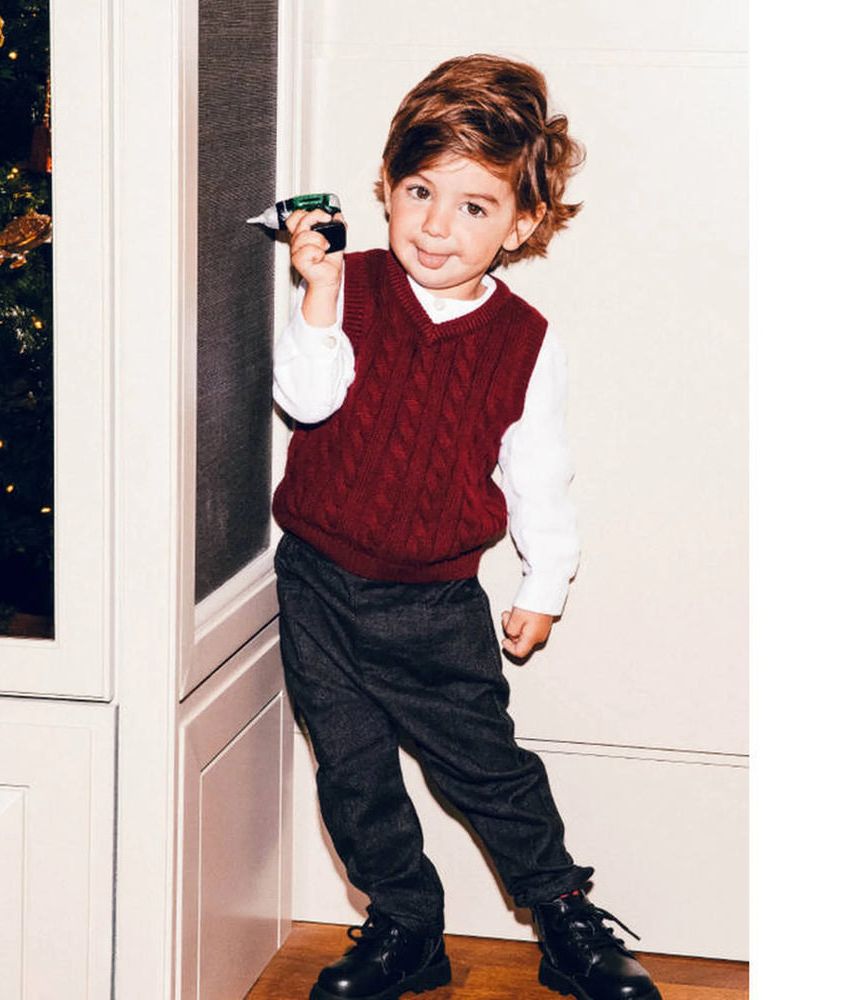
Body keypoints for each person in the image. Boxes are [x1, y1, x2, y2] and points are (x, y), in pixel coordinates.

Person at [271, 54, 662, 1000]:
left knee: (487, 767)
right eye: (420, 191)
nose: (436, 225)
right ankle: (406, 928)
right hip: (319, 581)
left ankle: (565, 917)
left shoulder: (526, 340)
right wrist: (317, 298)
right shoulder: (351, 286)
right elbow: (307, 402)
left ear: (521, 223)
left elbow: (538, 471)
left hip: (434, 602)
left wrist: (544, 584)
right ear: (387, 187)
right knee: (354, 775)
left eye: (474, 205)